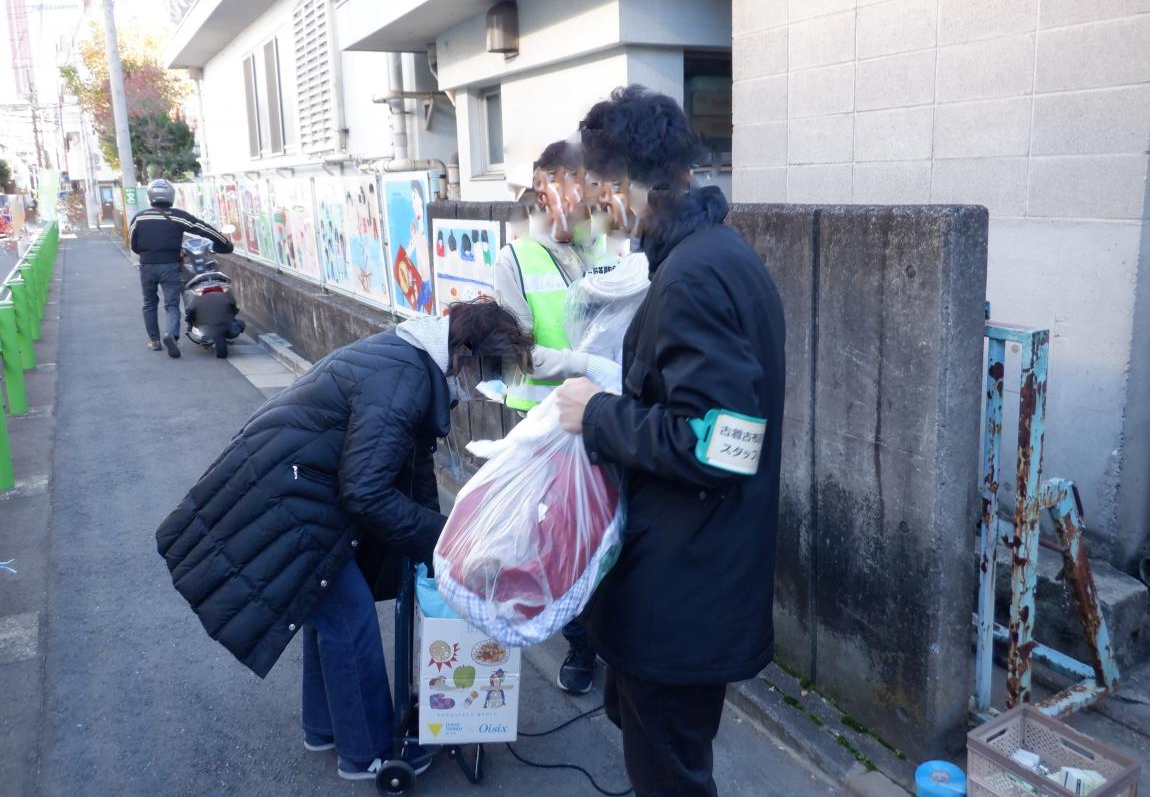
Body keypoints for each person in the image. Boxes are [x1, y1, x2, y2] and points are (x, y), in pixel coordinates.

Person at [155, 299, 534, 782]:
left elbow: (414, 467)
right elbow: (366, 491)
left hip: (295, 486)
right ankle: (366, 753)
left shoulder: (410, 359)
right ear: (463, 350)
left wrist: (440, 548)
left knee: (330, 611)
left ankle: (325, 726)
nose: (485, 385)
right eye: (488, 369)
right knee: (349, 619)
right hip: (290, 498)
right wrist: (446, 541)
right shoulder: (405, 380)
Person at [555, 85, 787, 797]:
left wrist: (597, 414)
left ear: (627, 185)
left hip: (683, 586)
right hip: (695, 573)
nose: (601, 208)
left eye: (600, 188)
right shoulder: (721, 253)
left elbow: (721, 445)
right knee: (655, 746)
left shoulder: (692, 276)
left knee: (671, 776)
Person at [492, 139, 617, 695]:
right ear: (545, 186)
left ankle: (611, 635)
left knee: (606, 532)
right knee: (556, 539)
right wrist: (589, 363)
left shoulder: (601, 244)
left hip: (605, 416)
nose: (585, 197)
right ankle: (580, 645)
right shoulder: (514, 257)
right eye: (574, 184)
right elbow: (520, 352)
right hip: (539, 423)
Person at [129, 179, 233, 358]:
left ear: (151, 196)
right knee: (171, 305)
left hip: (147, 266)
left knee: (149, 303)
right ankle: (171, 335)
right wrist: (225, 244)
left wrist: (147, 254)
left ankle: (154, 341)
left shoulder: (140, 217)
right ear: (171, 196)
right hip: (170, 264)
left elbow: (133, 243)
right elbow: (202, 228)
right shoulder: (178, 216)